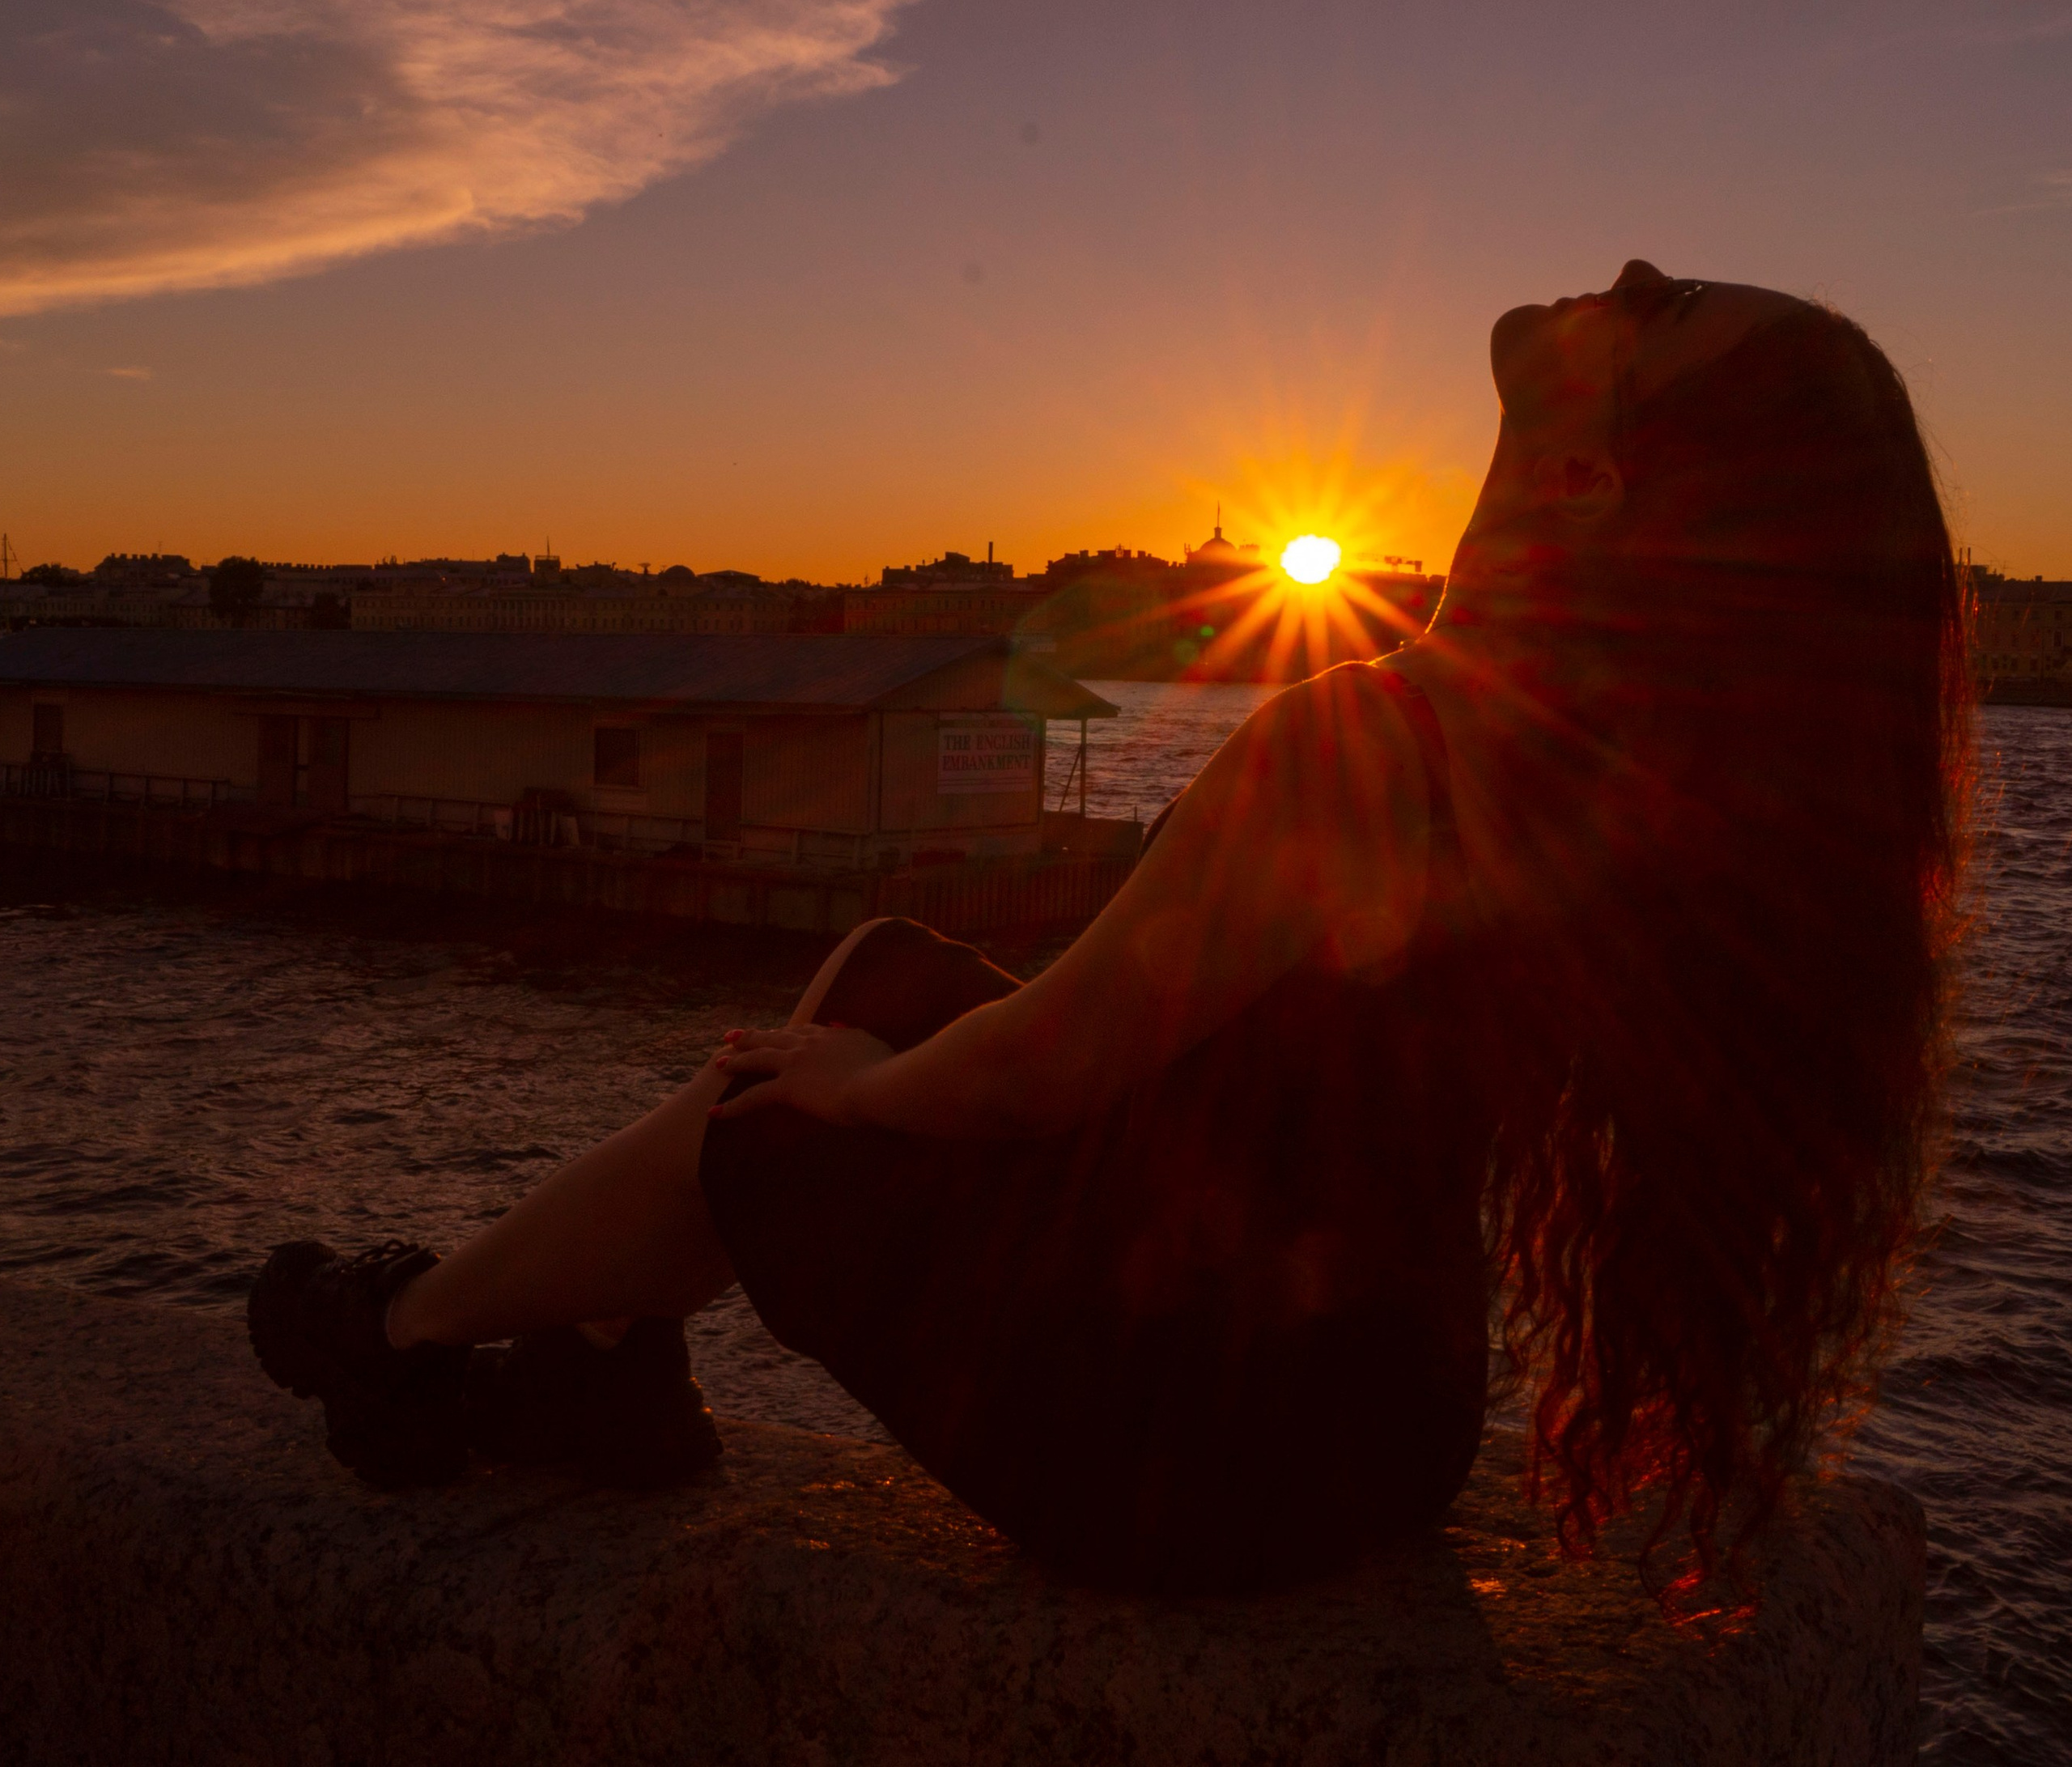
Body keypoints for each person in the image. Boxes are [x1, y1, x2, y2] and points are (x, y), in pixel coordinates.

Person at [248, 261, 1966, 1599]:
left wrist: (844, 1092)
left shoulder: (1383, 730)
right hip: (1374, 1420)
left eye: (1655, 312)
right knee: (890, 972)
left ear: (1591, 477)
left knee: (774, 1108)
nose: (1627, 271)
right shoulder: (1561, 764)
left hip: (1192, 1445)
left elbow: (1045, 1064)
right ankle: (597, 1361)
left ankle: (398, 1336)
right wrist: (879, 1043)